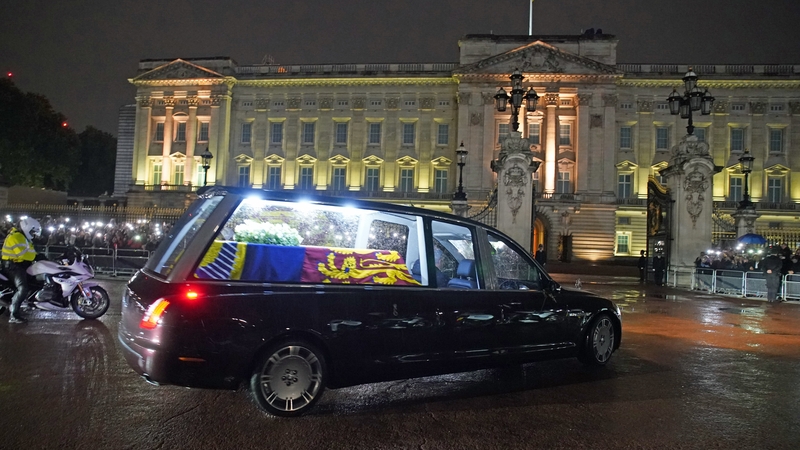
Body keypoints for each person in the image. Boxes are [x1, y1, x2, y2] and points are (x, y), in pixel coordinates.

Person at [1, 218, 42, 323]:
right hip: (12, 266)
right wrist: (36, 257)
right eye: (32, 232)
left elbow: (30, 251)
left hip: (20, 264)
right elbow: (22, 254)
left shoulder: (23, 237)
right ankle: (14, 315)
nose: (33, 234)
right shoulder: (16, 237)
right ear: (27, 228)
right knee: (23, 288)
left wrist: (38, 255)